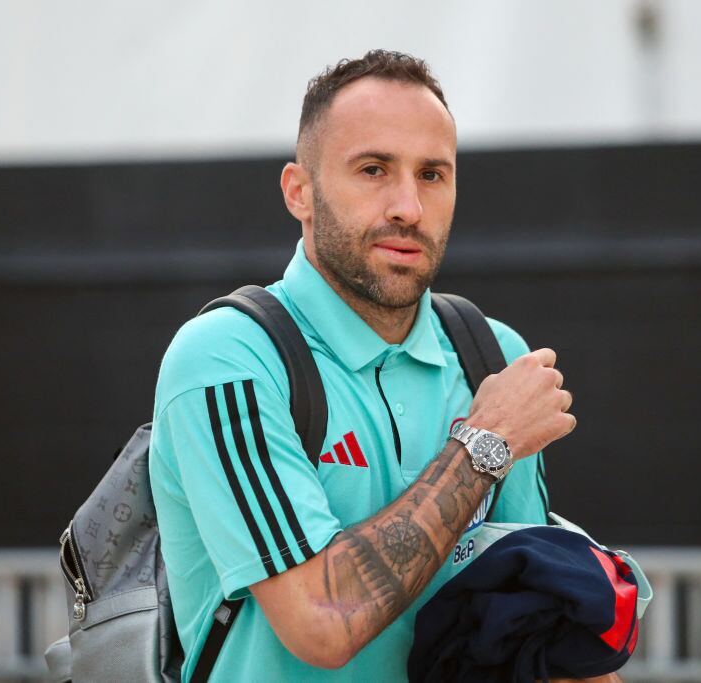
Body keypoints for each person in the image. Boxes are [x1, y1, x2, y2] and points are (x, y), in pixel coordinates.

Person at [149, 50, 600, 681]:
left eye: (433, 175)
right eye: (373, 169)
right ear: (298, 192)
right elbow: (322, 622)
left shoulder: (494, 356)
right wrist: (483, 443)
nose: (408, 207)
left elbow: (533, 622)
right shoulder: (226, 356)